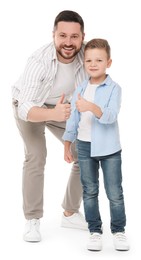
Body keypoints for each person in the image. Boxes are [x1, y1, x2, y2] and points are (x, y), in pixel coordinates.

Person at [12, 10, 89, 242]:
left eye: (74, 37)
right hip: (32, 107)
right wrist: (52, 113)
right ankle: (32, 219)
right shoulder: (39, 60)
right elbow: (25, 108)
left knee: (86, 155)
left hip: (64, 110)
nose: (68, 42)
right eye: (62, 35)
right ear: (53, 34)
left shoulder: (88, 55)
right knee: (36, 156)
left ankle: (70, 211)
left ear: (82, 36)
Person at [63, 38, 130, 251]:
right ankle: (95, 231)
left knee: (114, 193)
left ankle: (119, 231)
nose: (93, 64)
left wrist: (90, 106)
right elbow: (73, 118)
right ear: (84, 62)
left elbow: (110, 116)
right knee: (89, 191)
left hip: (110, 149)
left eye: (99, 60)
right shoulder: (80, 88)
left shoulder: (114, 88)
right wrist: (67, 143)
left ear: (108, 63)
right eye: (89, 60)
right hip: (84, 147)